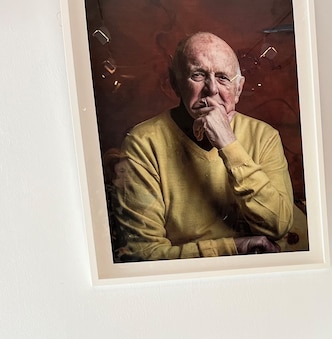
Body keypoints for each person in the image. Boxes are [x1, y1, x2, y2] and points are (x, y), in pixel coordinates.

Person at [112, 32, 296, 260]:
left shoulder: (264, 136)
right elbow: (143, 255)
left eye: (223, 78)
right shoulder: (143, 142)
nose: (212, 89)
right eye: (197, 75)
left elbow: (278, 225)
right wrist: (233, 248)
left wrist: (228, 145)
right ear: (175, 83)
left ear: (238, 89)